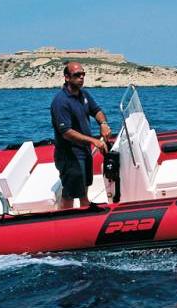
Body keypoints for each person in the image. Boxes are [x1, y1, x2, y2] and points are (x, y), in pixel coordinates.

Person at [50, 62, 112, 209]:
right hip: (69, 154)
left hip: (83, 151)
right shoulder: (60, 102)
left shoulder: (84, 94)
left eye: (83, 74)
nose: (81, 77)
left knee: (84, 188)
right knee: (70, 193)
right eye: (77, 75)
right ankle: (65, 222)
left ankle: (85, 209)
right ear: (66, 77)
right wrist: (94, 141)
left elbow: (96, 111)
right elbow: (67, 132)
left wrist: (103, 124)